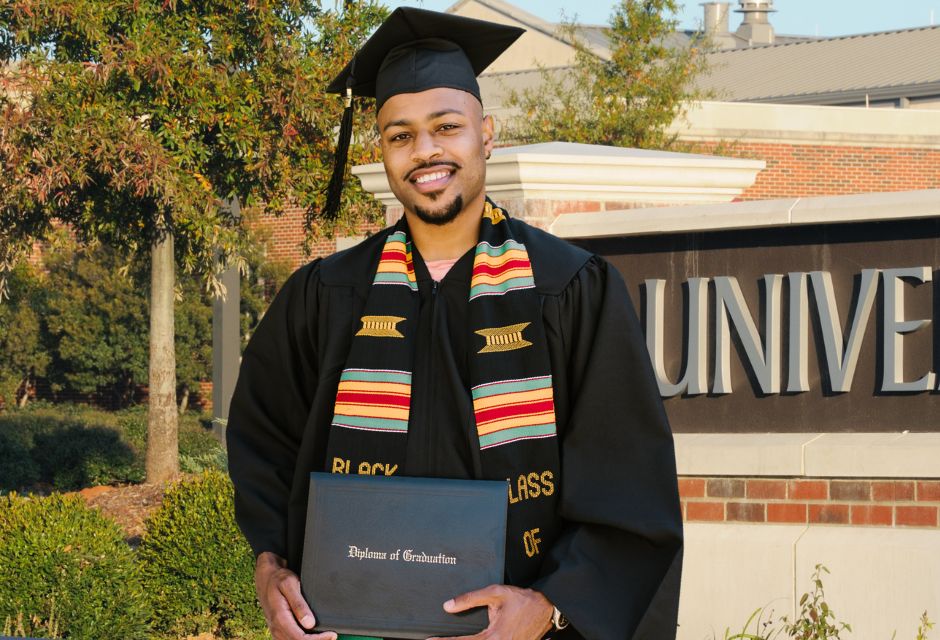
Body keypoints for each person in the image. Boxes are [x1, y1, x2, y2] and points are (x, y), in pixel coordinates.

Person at [226, 7, 682, 640]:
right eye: (400, 135)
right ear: (380, 150)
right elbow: (263, 449)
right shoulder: (326, 295)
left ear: (486, 133)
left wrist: (550, 606)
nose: (426, 152)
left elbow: (628, 485)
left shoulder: (569, 289)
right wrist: (270, 571)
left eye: (447, 127)